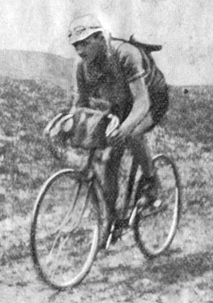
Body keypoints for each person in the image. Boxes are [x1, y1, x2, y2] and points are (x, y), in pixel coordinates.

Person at [67, 14, 169, 222]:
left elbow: (142, 103)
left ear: (99, 38)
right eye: (76, 46)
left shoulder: (124, 54)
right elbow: (80, 104)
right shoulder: (82, 66)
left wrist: (122, 131)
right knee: (108, 160)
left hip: (151, 98)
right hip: (122, 102)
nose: (80, 51)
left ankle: (151, 184)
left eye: (85, 44)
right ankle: (111, 220)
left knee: (131, 135)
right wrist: (69, 124)